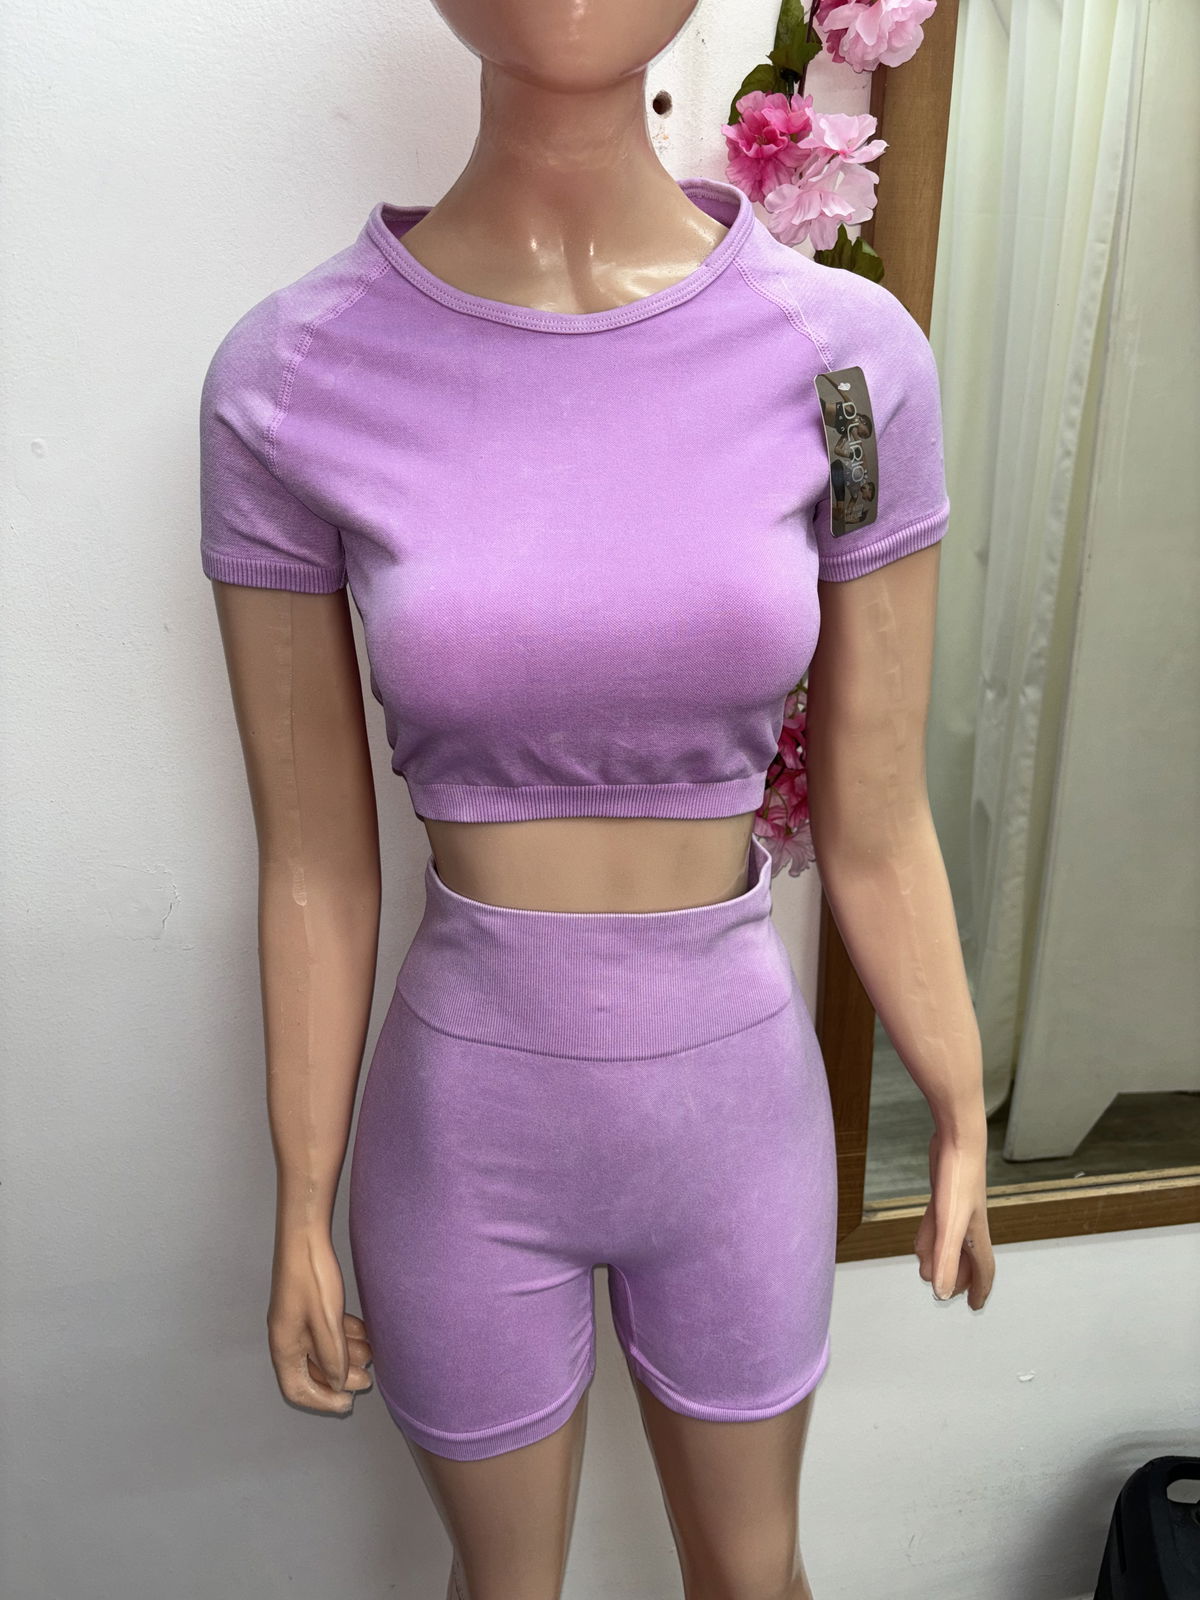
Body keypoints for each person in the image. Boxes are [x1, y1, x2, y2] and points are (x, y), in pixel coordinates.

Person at [198, 3, 995, 1595]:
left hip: (736, 1122)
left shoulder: (846, 361)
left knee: (756, 1577)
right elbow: (312, 867)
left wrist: (960, 1103)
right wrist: (302, 1198)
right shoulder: (294, 378)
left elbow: (880, 809)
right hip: (465, 1135)